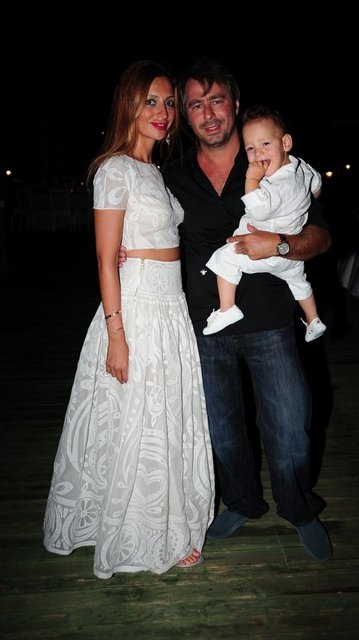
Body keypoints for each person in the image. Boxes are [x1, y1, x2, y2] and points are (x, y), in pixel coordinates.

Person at [120, 58, 333, 561]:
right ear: (185, 114)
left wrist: (280, 244)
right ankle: (242, 502)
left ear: (235, 105)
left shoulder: (272, 159)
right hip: (202, 323)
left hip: (269, 320)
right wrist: (133, 251)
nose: (208, 113)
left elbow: (322, 236)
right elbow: (154, 229)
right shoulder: (172, 176)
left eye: (217, 101)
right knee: (220, 430)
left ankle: (298, 507)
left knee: (291, 426)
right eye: (196, 104)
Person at [43, 60, 215, 579]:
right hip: (138, 310)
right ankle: (139, 529)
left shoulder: (154, 170)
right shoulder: (114, 169)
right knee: (137, 418)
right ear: (129, 106)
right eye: (150, 102)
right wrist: (116, 334)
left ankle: (159, 520)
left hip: (170, 307)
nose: (163, 112)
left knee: (159, 418)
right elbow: (104, 258)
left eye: (168, 103)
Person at [202, 104, 326, 342]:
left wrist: (251, 178)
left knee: (223, 258)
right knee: (299, 282)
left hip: (266, 254)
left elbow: (257, 211)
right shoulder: (302, 168)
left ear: (285, 143)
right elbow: (317, 186)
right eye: (251, 148)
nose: (258, 154)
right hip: (291, 259)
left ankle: (227, 308)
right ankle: (313, 319)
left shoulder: (278, 186)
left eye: (265, 144)